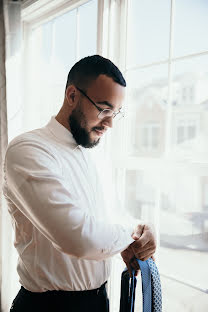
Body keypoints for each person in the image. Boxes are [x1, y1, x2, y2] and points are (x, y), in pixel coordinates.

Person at [3, 55, 156, 312]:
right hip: (47, 307)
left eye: (116, 112)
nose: (109, 123)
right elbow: (77, 237)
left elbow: (109, 217)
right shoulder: (28, 150)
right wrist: (130, 234)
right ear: (72, 95)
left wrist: (143, 230)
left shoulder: (96, 155)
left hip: (99, 301)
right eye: (104, 109)